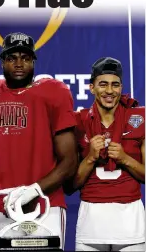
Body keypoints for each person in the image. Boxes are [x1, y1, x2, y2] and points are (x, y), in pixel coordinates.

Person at [0, 32, 78, 249]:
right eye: (12, 58)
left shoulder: (54, 92)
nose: (19, 64)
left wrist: (35, 190)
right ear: (2, 62)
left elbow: (69, 161)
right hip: (4, 203)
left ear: (33, 61)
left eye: (25, 58)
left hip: (46, 203)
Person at [72, 57, 145, 251]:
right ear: (91, 87)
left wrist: (125, 159)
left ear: (121, 87)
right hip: (91, 223)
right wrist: (90, 158)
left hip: (131, 222)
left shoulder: (140, 118)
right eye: (103, 84)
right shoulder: (78, 122)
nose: (110, 91)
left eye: (115, 85)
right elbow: (70, 184)